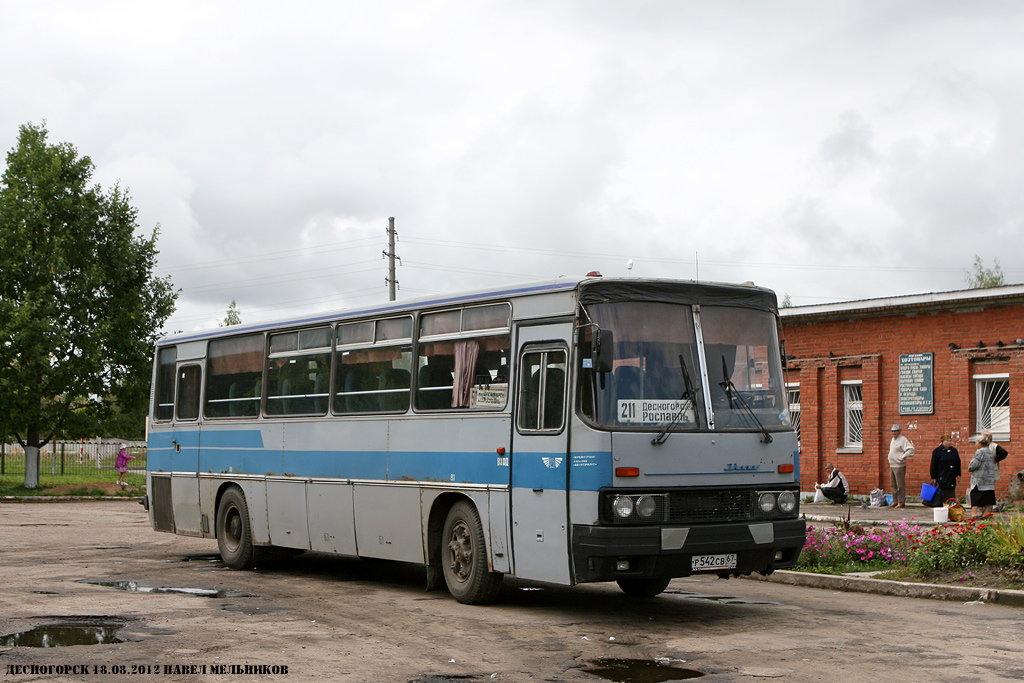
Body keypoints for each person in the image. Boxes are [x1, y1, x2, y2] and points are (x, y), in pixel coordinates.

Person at [968, 434, 998, 519]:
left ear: (981, 443)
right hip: (989, 478)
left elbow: (974, 464)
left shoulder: (980, 452)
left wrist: (970, 467)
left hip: (979, 478)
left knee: (975, 495)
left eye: (976, 442)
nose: (975, 444)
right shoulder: (990, 452)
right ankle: (986, 512)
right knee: (988, 495)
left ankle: (974, 513)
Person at [928, 434, 961, 507]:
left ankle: (951, 508)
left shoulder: (954, 451)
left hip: (951, 476)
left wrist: (958, 474)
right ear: (943, 441)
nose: (949, 442)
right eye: (947, 441)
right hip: (941, 475)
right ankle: (939, 507)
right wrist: (933, 477)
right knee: (941, 493)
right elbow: (933, 464)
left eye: (950, 441)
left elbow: (957, 463)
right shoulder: (937, 451)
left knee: (951, 493)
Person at [887, 424, 915, 508]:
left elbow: (911, 449)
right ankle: (895, 501)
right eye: (892, 431)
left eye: (895, 431)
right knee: (893, 484)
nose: (893, 433)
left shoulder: (903, 440)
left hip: (899, 466)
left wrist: (903, 457)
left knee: (900, 484)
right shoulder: (893, 439)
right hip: (892, 465)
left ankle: (901, 502)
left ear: (899, 431)